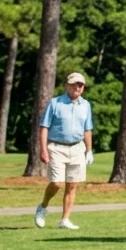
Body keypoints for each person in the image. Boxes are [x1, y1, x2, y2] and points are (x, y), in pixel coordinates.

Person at [34, 72, 94, 230]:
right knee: (57, 183)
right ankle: (43, 206)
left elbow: (87, 130)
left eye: (80, 85)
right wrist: (43, 150)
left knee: (72, 185)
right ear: (67, 86)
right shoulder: (55, 103)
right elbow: (44, 127)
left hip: (77, 148)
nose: (77, 88)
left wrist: (89, 150)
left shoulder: (85, 105)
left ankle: (65, 219)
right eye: (74, 84)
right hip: (56, 147)